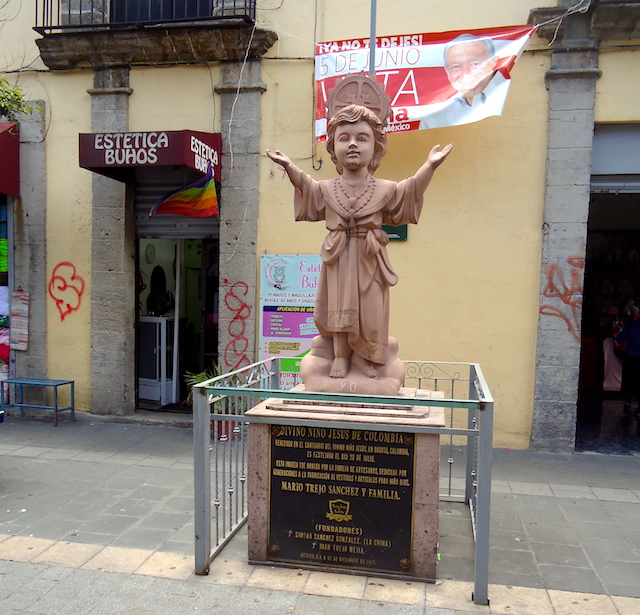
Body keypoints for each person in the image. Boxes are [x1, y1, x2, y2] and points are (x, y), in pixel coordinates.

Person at [266, 104, 452, 379]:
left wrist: (430, 166)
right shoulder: (327, 188)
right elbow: (307, 187)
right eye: (344, 138)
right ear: (333, 147)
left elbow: (409, 191)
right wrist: (289, 166)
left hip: (370, 257)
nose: (353, 144)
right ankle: (341, 357)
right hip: (338, 256)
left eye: (362, 138)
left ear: (376, 148)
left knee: (372, 311)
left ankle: (366, 359)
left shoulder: (385, 188)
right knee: (339, 310)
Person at [420, 34, 509, 130]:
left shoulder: (509, 97)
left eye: (475, 64)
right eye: (456, 66)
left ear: (494, 62)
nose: (466, 74)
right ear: (447, 71)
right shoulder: (432, 118)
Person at [615, 304, 640, 416]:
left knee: (629, 381)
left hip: (630, 357)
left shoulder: (631, 325)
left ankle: (627, 402)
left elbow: (619, 338)